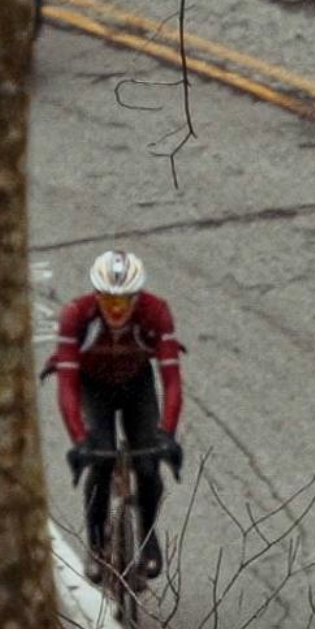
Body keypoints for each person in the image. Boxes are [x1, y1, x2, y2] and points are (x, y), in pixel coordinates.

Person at [51, 249, 184, 580]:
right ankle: (97, 546)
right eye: (108, 302)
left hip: (136, 384)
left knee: (148, 465)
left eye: (124, 303)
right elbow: (67, 384)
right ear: (96, 297)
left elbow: (171, 380)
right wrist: (80, 440)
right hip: (93, 387)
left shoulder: (156, 312)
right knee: (100, 461)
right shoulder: (75, 316)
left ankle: (148, 537)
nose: (115, 311)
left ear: (137, 299)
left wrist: (166, 433)